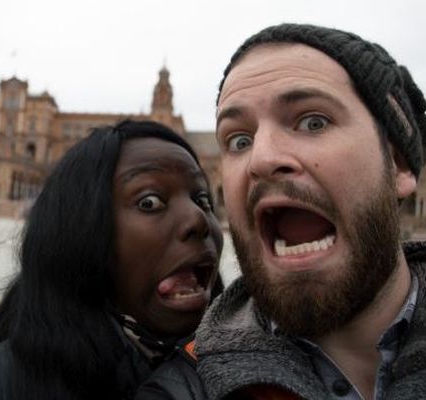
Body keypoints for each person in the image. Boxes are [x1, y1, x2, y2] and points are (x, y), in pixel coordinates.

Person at [136, 23, 426, 400]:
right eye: (240, 140)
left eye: (313, 122)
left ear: (399, 164)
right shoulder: (179, 389)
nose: (262, 158)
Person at [0, 119, 224, 399]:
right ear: (82, 231)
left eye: (203, 200)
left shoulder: (241, 374)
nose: (198, 219)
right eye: (149, 202)